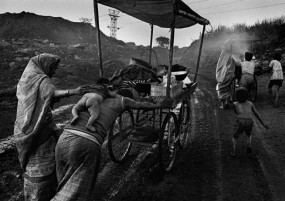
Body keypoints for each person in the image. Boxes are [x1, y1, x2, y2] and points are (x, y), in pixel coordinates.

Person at [51, 89, 171, 201]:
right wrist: (161, 104)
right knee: (74, 194)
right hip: (87, 142)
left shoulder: (100, 95)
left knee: (63, 183)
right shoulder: (123, 100)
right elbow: (142, 105)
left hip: (64, 137)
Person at [14, 53, 89, 201]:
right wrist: (73, 91)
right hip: (37, 131)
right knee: (41, 163)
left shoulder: (25, 81)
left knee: (38, 163)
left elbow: (47, 97)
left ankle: (37, 194)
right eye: (53, 67)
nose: (54, 71)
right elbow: (50, 93)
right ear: (44, 65)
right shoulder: (41, 79)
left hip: (29, 128)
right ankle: (40, 195)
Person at [231, 87, 269, 157]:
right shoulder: (250, 103)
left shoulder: (235, 104)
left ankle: (233, 152)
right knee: (249, 134)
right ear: (247, 95)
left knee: (235, 137)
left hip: (240, 120)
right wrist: (263, 124)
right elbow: (256, 114)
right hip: (250, 121)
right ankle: (249, 145)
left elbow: (236, 112)